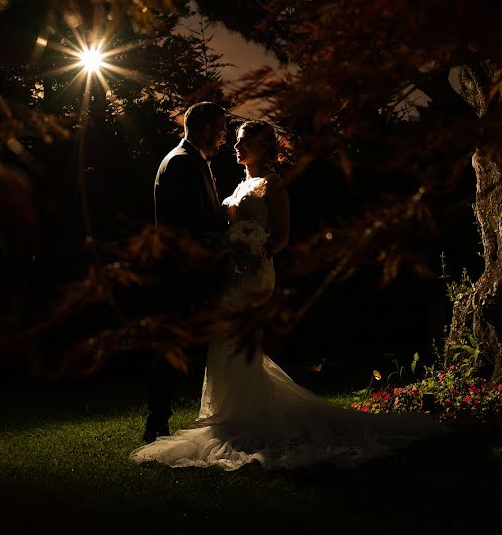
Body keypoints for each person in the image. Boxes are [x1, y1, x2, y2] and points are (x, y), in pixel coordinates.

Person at [131, 120, 446, 470]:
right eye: (236, 140)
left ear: (264, 148)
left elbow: (280, 238)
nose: (237, 146)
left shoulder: (273, 185)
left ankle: (242, 419)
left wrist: (251, 249)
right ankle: (232, 415)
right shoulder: (242, 182)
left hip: (253, 274)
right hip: (232, 275)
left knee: (235, 343)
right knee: (225, 346)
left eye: (245, 141)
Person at [143, 102, 228, 444]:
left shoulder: (196, 162)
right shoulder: (180, 163)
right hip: (180, 274)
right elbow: (186, 225)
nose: (224, 138)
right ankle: (156, 423)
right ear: (207, 129)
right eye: (221, 130)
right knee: (170, 349)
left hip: (192, 271)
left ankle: (168, 419)